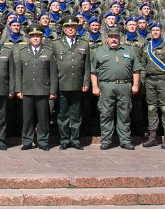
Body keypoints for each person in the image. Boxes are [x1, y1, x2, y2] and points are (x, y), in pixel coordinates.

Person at [90, 27, 140, 150]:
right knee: (106, 113)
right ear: (107, 38)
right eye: (111, 37)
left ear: (120, 38)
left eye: (116, 37)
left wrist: (135, 85)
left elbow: (136, 69)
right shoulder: (100, 51)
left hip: (124, 85)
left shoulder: (128, 50)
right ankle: (106, 140)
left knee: (124, 114)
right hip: (106, 86)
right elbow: (93, 71)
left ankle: (125, 140)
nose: (114, 39)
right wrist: (95, 86)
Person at [51, 15, 90, 150]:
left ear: (77, 28)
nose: (70, 29)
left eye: (73, 26)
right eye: (67, 27)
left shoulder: (83, 43)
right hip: (62, 83)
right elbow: (53, 67)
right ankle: (64, 139)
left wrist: (86, 82)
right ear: (63, 29)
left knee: (76, 113)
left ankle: (75, 139)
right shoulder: (56, 43)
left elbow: (87, 66)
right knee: (62, 114)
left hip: (77, 84)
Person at [16, 25, 57, 151]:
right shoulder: (23, 52)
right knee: (27, 118)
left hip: (43, 89)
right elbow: (18, 72)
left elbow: (53, 73)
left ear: (41, 37)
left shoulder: (48, 52)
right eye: (33, 36)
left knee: (43, 118)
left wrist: (53, 90)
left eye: (37, 36)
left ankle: (43, 141)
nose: (35, 38)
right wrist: (19, 89)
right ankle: (27, 141)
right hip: (27, 89)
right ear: (29, 38)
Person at [140, 22, 165, 148]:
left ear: (161, 32)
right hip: (150, 81)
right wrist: (141, 82)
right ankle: (152, 137)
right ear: (150, 32)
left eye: (157, 30)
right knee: (151, 109)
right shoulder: (146, 48)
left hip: (164, 81)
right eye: (153, 30)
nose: (155, 32)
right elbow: (143, 67)